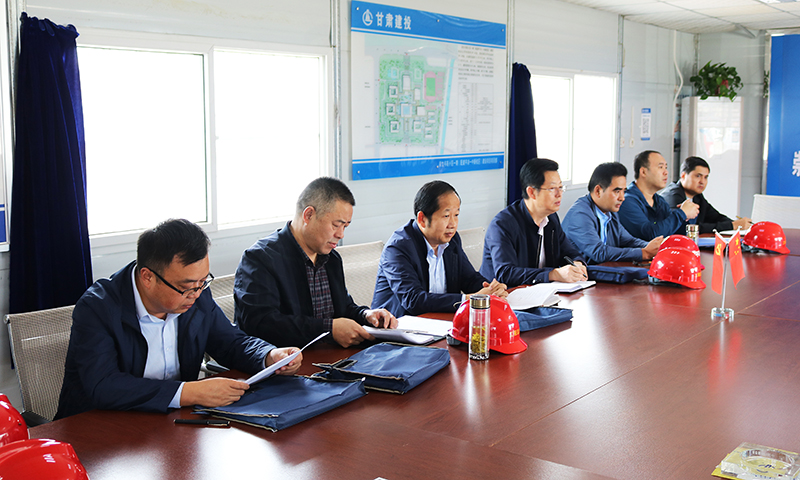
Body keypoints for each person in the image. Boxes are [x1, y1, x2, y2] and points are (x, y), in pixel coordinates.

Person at [55, 219, 302, 420]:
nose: (196, 293)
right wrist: (188, 392)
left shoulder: (196, 296)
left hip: (170, 423)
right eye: (186, 287)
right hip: (98, 430)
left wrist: (269, 356)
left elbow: (230, 342)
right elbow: (103, 385)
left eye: (203, 282)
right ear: (147, 277)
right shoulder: (98, 308)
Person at [235, 177, 397, 348]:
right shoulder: (260, 259)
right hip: (286, 359)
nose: (341, 235)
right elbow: (261, 325)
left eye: (345, 227)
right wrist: (329, 329)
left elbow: (343, 309)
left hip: (331, 356)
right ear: (309, 215)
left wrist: (366, 315)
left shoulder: (331, 258)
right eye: (336, 225)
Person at [371, 180, 507, 317]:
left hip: (441, 322)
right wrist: (469, 299)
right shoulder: (398, 248)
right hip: (398, 326)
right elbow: (413, 300)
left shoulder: (451, 240)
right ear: (422, 219)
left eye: (456, 215)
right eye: (446, 216)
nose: (452, 224)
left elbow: (469, 279)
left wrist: (491, 290)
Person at [480, 158, 587, 288]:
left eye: (560, 187)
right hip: (504, 295)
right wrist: (552, 274)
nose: (559, 194)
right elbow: (505, 273)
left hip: (542, 292)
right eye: (552, 188)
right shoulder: (502, 225)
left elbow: (569, 252)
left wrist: (577, 264)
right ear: (531, 192)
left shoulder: (551, 219)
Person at [563, 162, 663, 264]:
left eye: (623, 191)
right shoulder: (580, 214)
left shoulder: (610, 212)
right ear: (598, 191)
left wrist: (656, 247)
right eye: (617, 191)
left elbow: (628, 241)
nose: (622, 198)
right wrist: (644, 253)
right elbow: (599, 252)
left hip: (602, 269)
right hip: (582, 272)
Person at [617, 150, 699, 241]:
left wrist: (687, 215)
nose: (666, 172)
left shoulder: (659, 201)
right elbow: (650, 235)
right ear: (643, 172)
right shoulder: (626, 201)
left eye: (666, 167)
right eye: (660, 167)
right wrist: (681, 213)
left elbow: (675, 233)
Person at [659, 156, 752, 234]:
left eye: (705, 177)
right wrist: (732, 225)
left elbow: (715, 217)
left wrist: (737, 223)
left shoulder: (697, 196)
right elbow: (686, 228)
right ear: (683, 176)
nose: (702, 182)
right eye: (698, 176)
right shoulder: (673, 196)